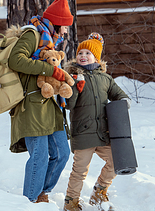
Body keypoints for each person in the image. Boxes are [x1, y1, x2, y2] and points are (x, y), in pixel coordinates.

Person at [8, 0, 73, 203]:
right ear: (55, 22)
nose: (65, 32)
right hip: (32, 104)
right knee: (39, 156)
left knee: (62, 153)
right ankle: (30, 201)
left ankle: (41, 193)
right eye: (64, 27)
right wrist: (50, 69)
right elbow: (15, 60)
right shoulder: (32, 34)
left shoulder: (51, 42)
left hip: (50, 105)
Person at [62, 33, 131, 211]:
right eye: (80, 53)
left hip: (102, 133)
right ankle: (71, 202)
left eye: (87, 53)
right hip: (83, 133)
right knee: (80, 171)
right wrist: (76, 86)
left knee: (116, 161)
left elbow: (119, 94)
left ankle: (99, 191)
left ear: (96, 57)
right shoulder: (72, 76)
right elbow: (68, 104)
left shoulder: (105, 78)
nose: (83, 56)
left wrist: (124, 102)